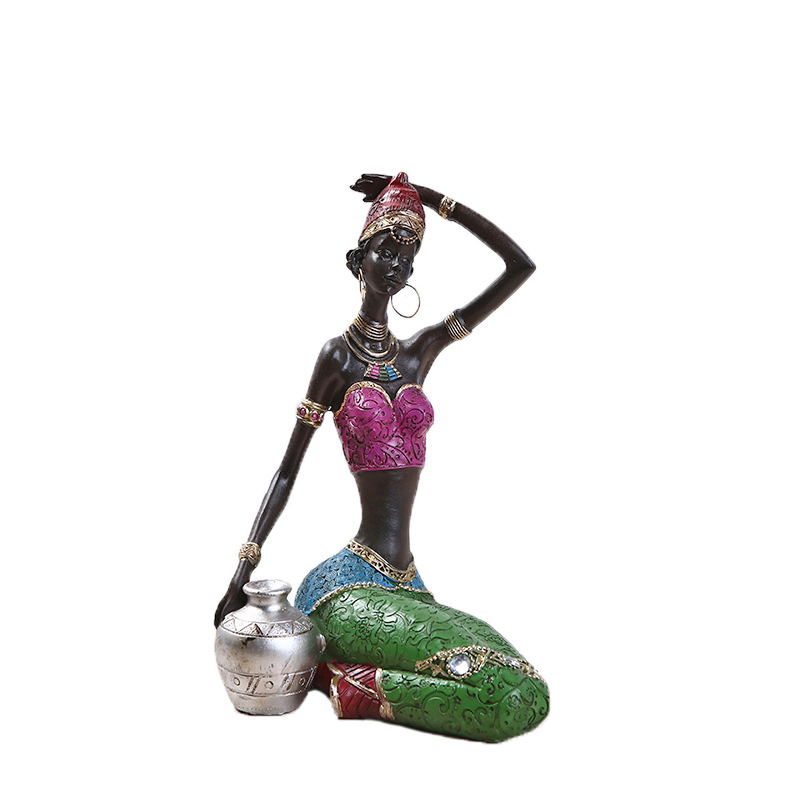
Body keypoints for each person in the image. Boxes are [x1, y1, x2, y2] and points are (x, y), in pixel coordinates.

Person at [215, 173, 549, 742]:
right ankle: (340, 680)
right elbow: (288, 469)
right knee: (503, 698)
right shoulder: (337, 359)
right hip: (345, 588)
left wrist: (436, 200)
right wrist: (241, 572)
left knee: (523, 685)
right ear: (358, 259)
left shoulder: (421, 352)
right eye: (386, 251)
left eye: (408, 257)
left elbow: (520, 266)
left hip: (408, 582)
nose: (397, 265)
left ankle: (332, 673)